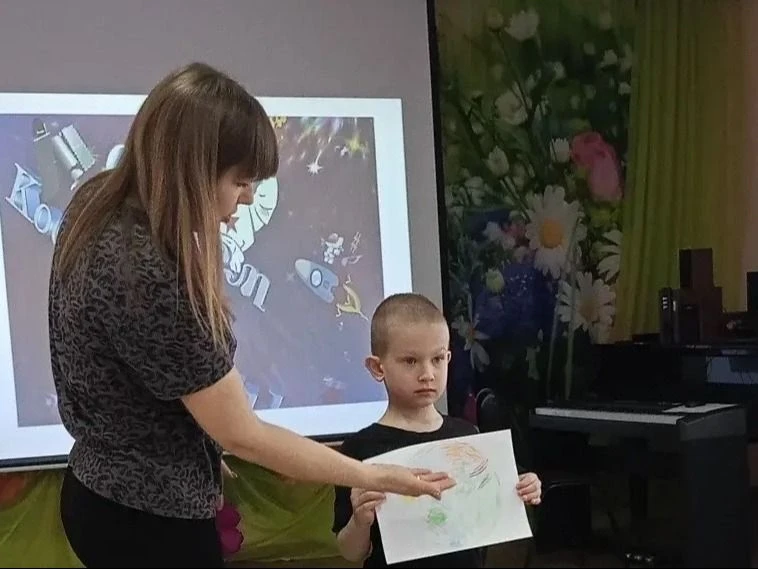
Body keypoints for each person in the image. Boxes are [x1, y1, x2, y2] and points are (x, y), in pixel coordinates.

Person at [48, 62, 454, 569]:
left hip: (97, 489)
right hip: (147, 522)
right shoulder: (150, 275)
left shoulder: (99, 199)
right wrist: (373, 475)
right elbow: (244, 435)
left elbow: (129, 371)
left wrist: (189, 442)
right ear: (193, 171)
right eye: (240, 181)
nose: (249, 197)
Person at [332, 293, 542, 568]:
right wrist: (360, 521)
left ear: (448, 358)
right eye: (410, 361)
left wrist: (525, 486)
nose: (427, 374)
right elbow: (351, 553)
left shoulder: (468, 435)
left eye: (438, 359)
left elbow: (493, 505)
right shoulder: (359, 449)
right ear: (377, 367)